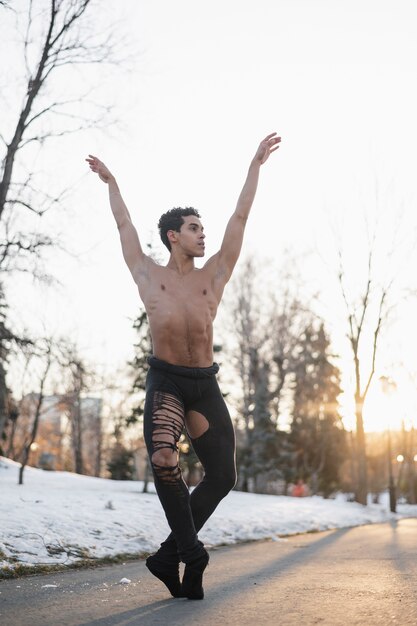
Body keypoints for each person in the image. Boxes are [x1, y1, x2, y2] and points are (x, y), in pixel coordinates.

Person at [86, 132, 281, 600]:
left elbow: (240, 217)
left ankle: (166, 555)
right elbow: (123, 227)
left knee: (223, 476)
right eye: (194, 227)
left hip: (204, 384)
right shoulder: (148, 275)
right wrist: (112, 182)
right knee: (164, 459)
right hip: (166, 379)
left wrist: (254, 165)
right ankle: (192, 555)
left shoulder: (213, 275)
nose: (203, 233)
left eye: (202, 227)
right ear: (174, 235)